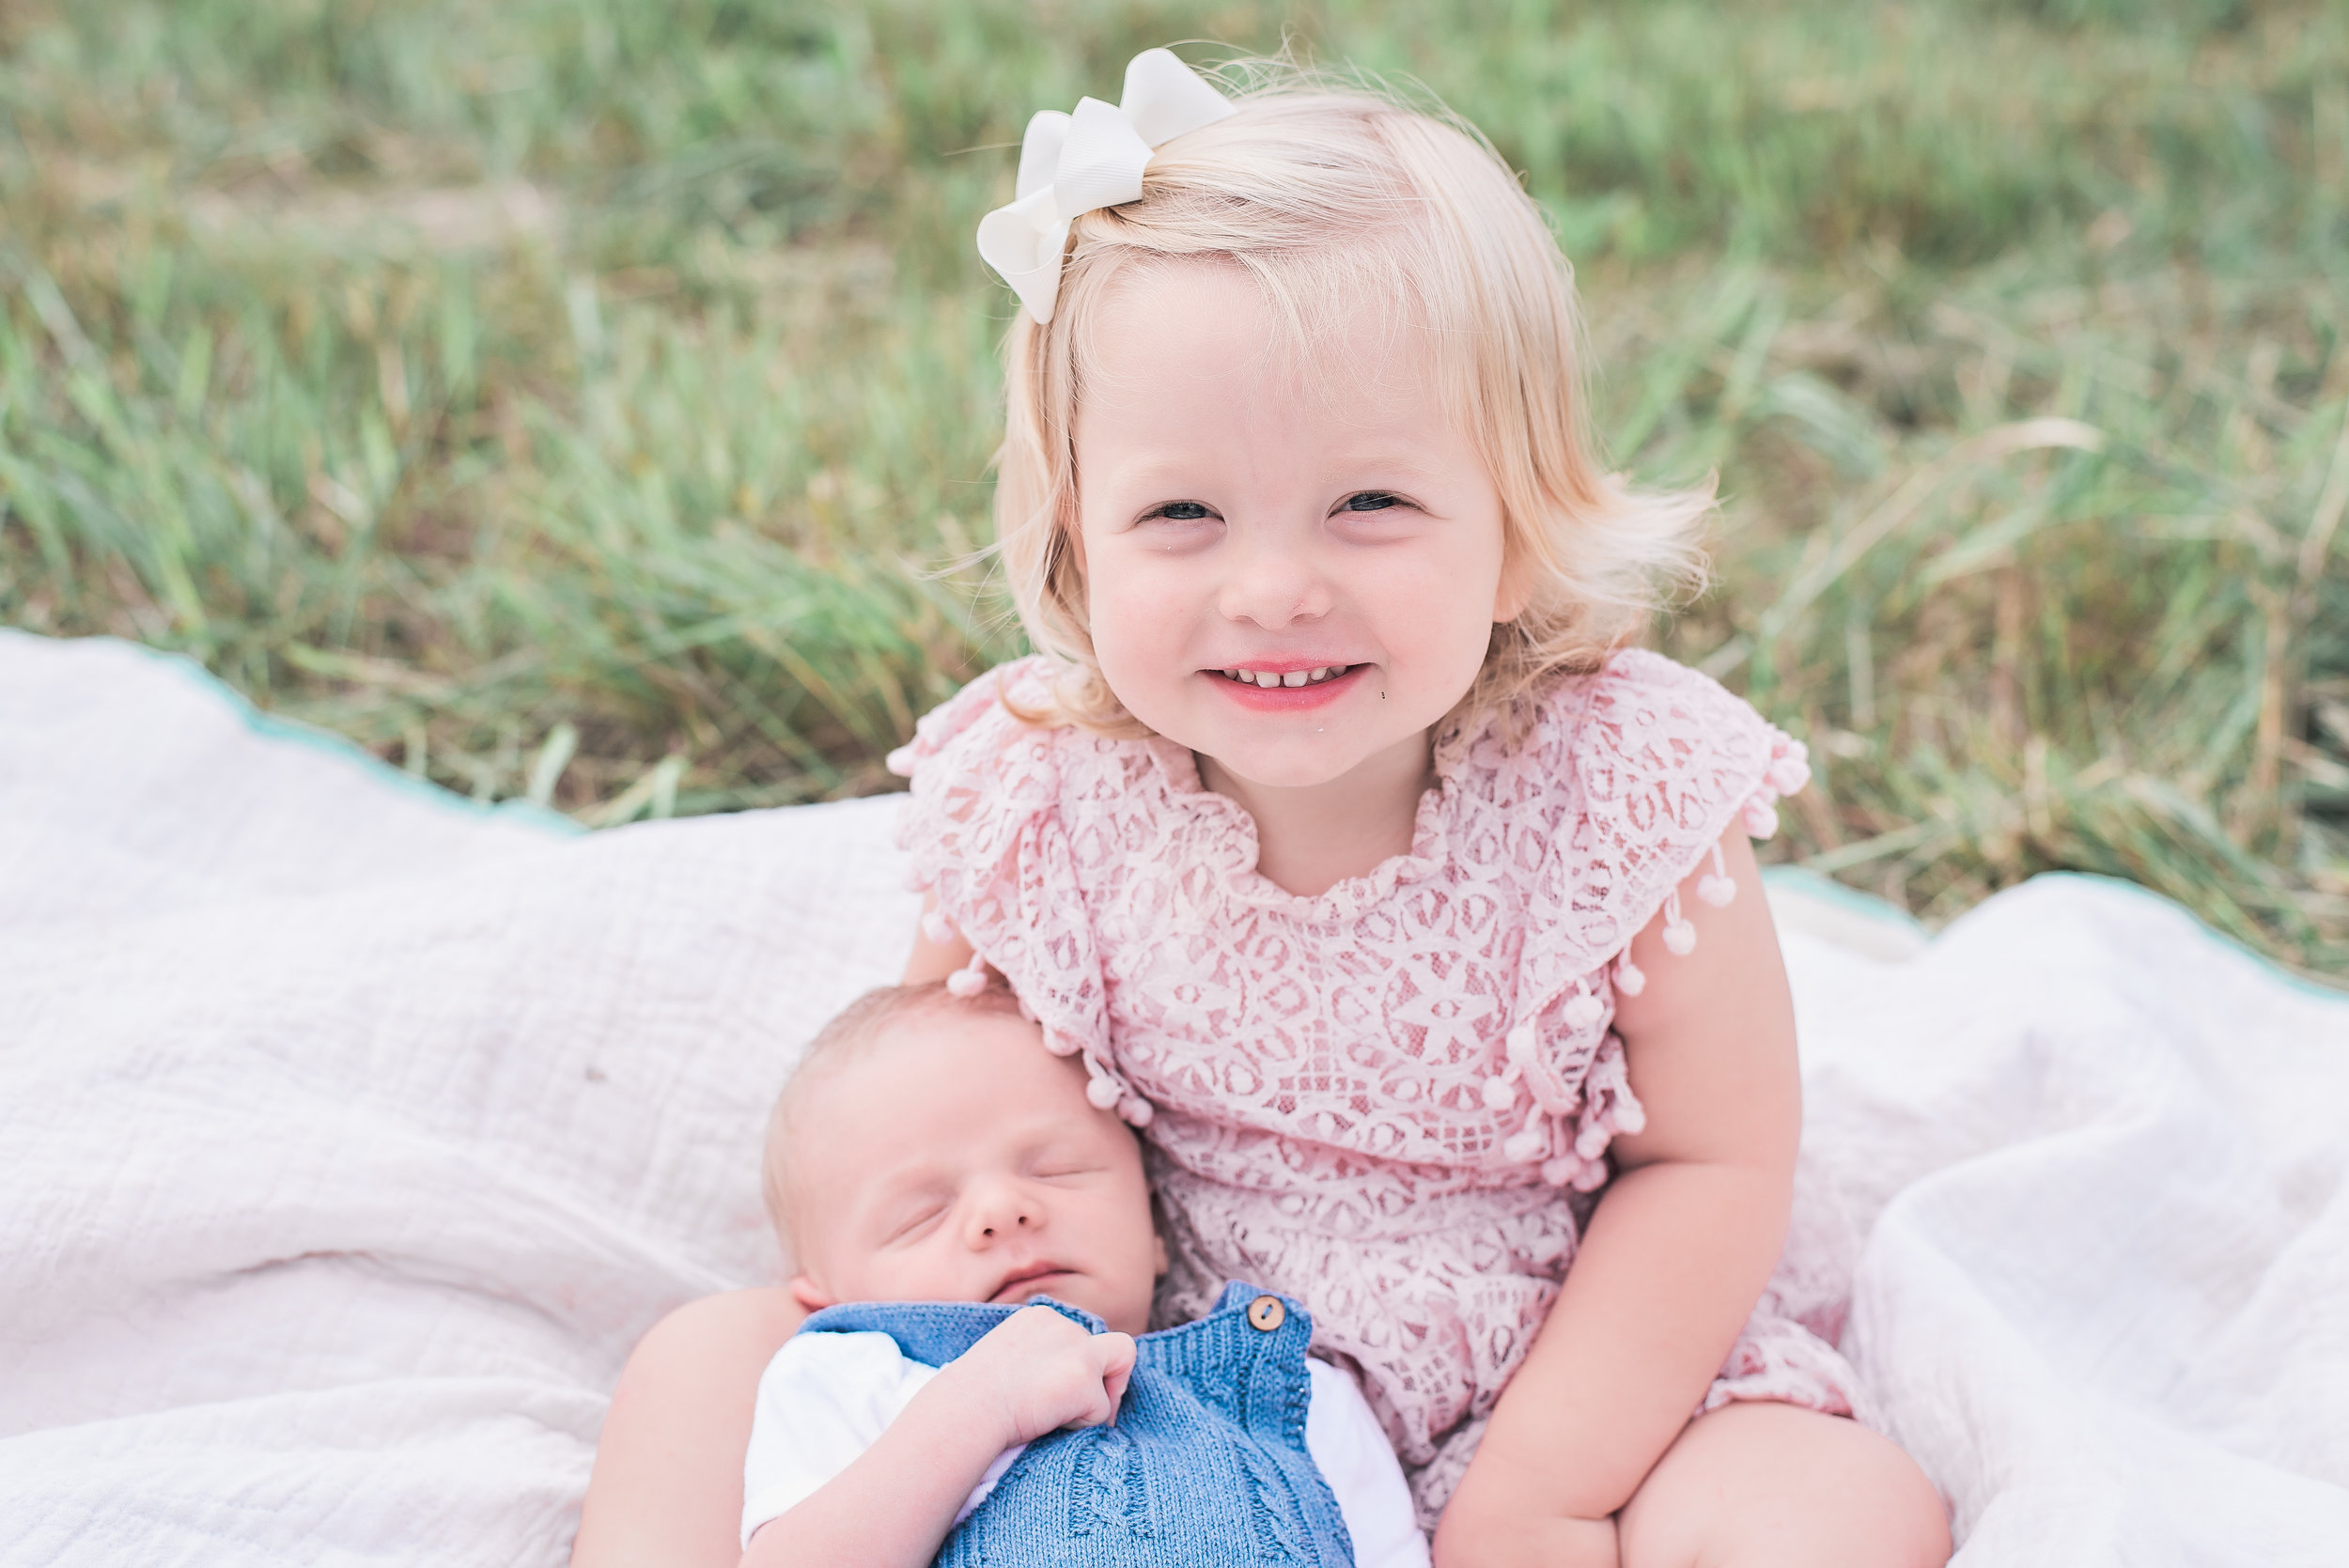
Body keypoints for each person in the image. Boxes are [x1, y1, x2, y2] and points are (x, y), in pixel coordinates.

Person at [573, 51, 1952, 1568]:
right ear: (1077, 548)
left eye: (1369, 503)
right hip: (1161, 1363)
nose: (1275, 586)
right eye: (1182, 513)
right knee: (704, 1358)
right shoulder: (1041, 794)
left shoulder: (1618, 794)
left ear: (1514, 528)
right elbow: (943, 1087)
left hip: (1571, 1368)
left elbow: (1712, 1163)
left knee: (1833, 1514)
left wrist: (1540, 1490)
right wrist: (952, 1338)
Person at [739, 979, 1428, 1568]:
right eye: (922, 1214)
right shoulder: (853, 1377)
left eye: (1056, 1169)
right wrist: (977, 1406)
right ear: (824, 1297)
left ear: (1156, 1226)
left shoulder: (1293, 1391)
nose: (1003, 1210)